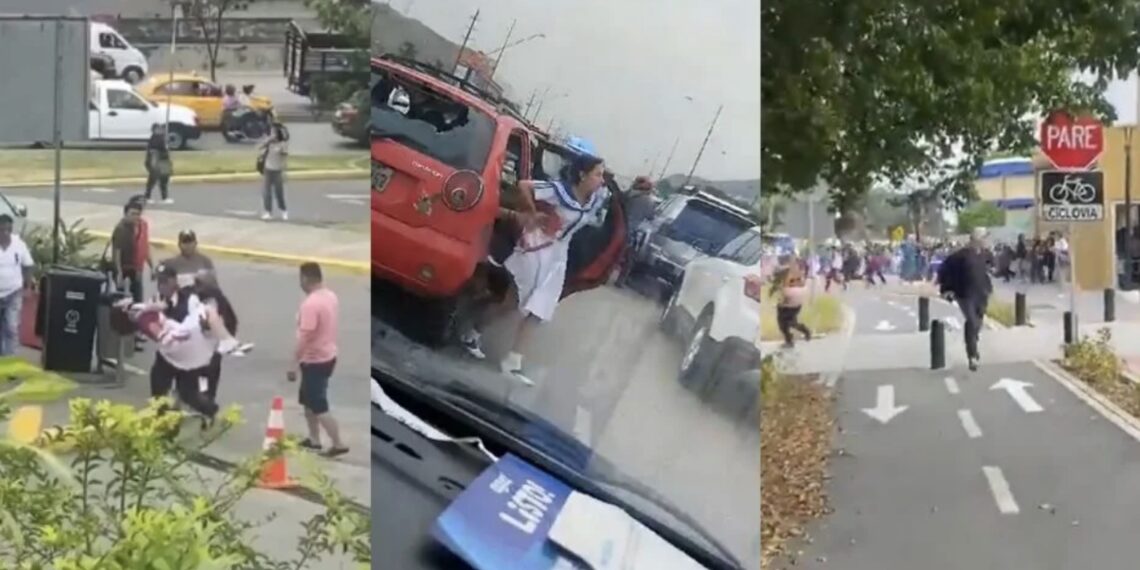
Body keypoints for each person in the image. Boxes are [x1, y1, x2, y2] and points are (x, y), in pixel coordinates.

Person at [460, 154, 611, 385]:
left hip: (558, 255)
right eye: (598, 174)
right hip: (537, 246)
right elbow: (524, 185)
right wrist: (532, 213)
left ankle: (511, 361)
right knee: (514, 303)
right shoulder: (559, 191)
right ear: (582, 175)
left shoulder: (594, 200)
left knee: (539, 308)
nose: (601, 179)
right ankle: (474, 333)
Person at [146, 265, 219, 422]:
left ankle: (210, 410)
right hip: (167, 356)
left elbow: (200, 322)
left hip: (187, 356)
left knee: (188, 393)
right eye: (159, 282)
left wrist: (205, 326)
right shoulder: (156, 300)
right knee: (158, 391)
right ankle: (160, 424)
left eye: (165, 281)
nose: (161, 286)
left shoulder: (190, 300)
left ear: (174, 281)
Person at [290, 262, 347, 457]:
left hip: (315, 360)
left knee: (319, 405)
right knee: (308, 401)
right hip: (328, 355)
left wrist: (293, 364)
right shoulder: (330, 296)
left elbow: (306, 336)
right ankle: (313, 439)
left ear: (306, 278)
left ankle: (338, 443)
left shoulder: (311, 304)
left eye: (301, 279)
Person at [937, 228, 993, 371]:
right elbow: (944, 270)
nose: (987, 240)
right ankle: (972, 356)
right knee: (972, 322)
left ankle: (973, 341)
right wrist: (946, 289)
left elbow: (989, 269)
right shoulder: (960, 256)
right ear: (977, 239)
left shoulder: (985, 254)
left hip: (982, 294)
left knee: (978, 323)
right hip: (965, 294)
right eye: (985, 238)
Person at [0, 215, 34, 356]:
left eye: (9, 230)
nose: (5, 233)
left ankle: (10, 362)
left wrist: (28, 287)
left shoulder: (19, 244)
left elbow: (28, 265)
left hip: (13, 292)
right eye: (2, 230)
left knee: (11, 327)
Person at [615, 175, 656, 287]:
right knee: (630, 258)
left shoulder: (628, 195)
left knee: (612, 252)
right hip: (633, 231)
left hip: (618, 227)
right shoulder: (649, 201)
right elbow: (651, 216)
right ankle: (620, 280)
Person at [771, 260, 811, 348]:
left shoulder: (788, 280)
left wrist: (780, 301)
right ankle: (799, 333)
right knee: (791, 323)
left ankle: (790, 340)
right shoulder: (797, 276)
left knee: (784, 325)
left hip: (787, 307)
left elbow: (784, 294)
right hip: (795, 305)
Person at [258, 124, 289, 220]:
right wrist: (267, 141)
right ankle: (268, 211)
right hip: (268, 169)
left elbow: (284, 159)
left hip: (277, 170)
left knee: (279, 192)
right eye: (271, 132)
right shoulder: (269, 143)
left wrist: (284, 172)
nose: (272, 134)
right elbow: (259, 147)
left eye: (273, 132)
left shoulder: (283, 144)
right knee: (266, 192)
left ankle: (283, 210)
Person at [144, 123, 173, 204]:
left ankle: (164, 197)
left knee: (164, 180)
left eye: (161, 129)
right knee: (153, 179)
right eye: (158, 129)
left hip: (164, 161)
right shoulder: (155, 139)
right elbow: (154, 151)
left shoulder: (162, 138)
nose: (161, 130)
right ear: (154, 130)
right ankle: (147, 196)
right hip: (157, 161)